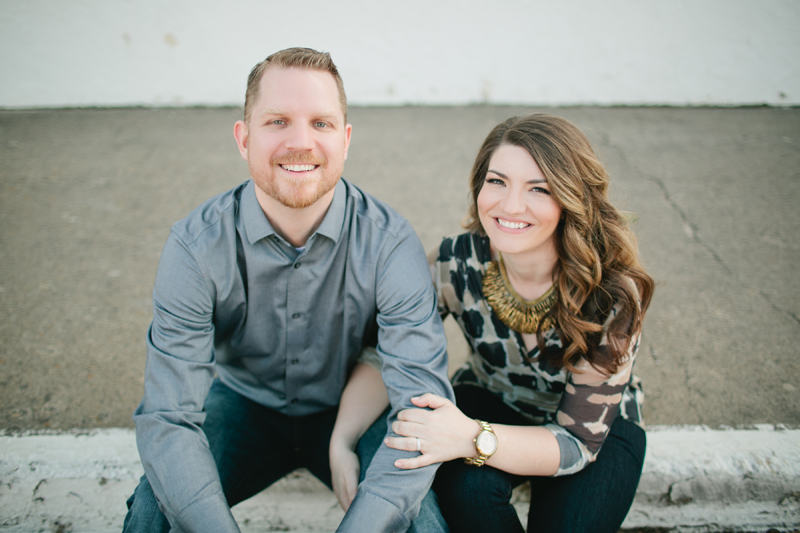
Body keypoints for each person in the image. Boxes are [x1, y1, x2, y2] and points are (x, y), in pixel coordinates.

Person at [122, 47, 454, 533]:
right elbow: (169, 419)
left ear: (344, 139)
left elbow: (420, 409)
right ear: (244, 138)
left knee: (421, 523)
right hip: (242, 407)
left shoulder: (391, 243)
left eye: (320, 124)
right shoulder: (195, 248)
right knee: (152, 512)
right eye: (278, 121)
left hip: (352, 410)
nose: (301, 142)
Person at [383, 114, 655, 532]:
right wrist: (342, 442)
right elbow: (386, 346)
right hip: (492, 396)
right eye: (497, 181)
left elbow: (579, 443)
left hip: (593, 428)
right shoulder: (455, 263)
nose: (510, 206)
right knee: (467, 494)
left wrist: (472, 438)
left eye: (539, 189)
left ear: (570, 199)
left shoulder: (612, 296)